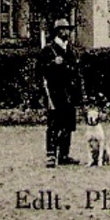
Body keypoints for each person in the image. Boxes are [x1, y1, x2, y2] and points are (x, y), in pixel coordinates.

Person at [37, 18, 84, 167]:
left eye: (67, 29)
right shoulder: (48, 50)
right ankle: (51, 155)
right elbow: (40, 71)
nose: (66, 32)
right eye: (63, 29)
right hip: (55, 92)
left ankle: (64, 154)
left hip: (69, 92)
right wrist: (53, 64)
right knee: (54, 124)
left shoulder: (72, 51)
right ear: (57, 32)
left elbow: (77, 74)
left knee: (68, 124)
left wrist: (79, 95)